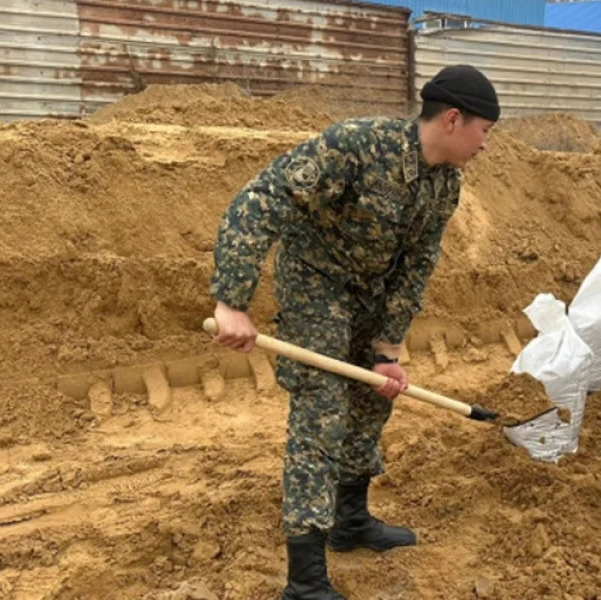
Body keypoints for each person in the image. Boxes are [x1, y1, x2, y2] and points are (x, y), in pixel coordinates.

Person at [207, 65, 499, 600]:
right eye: (485, 131)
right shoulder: (356, 146)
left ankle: (349, 519)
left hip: (371, 291)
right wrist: (232, 300)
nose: (486, 145)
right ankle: (305, 581)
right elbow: (259, 200)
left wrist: (387, 348)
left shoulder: (445, 183)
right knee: (321, 414)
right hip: (315, 283)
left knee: (372, 398)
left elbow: (417, 264)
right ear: (454, 120)